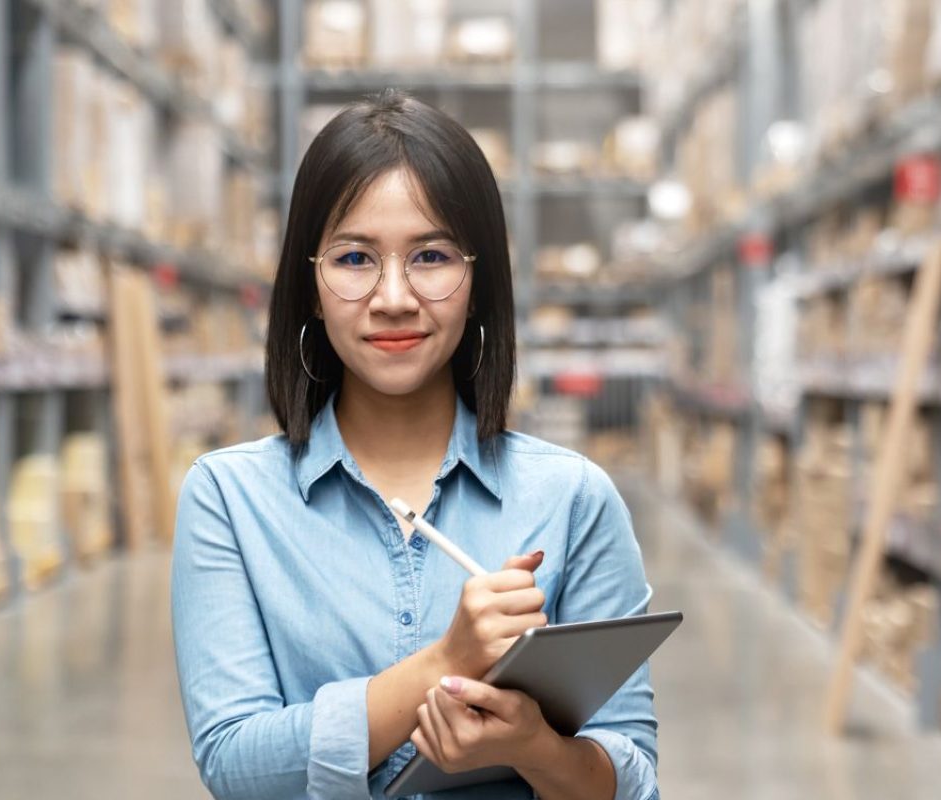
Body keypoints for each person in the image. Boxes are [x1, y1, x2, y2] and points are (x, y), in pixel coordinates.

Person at [170, 90, 659, 800]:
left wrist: (535, 748)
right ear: (309, 283)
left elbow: (634, 780)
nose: (394, 296)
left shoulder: (573, 500)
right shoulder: (229, 500)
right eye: (354, 258)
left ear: (477, 277)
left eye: (430, 256)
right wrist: (446, 664)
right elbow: (236, 766)